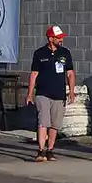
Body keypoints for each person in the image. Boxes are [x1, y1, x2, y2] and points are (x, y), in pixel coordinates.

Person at [27, 26, 76, 163]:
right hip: (43, 93)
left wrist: (71, 92)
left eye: (61, 38)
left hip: (59, 94)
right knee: (43, 121)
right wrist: (30, 93)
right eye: (58, 38)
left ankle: (50, 149)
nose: (61, 40)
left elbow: (70, 73)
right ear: (50, 39)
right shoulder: (39, 53)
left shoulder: (65, 53)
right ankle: (41, 150)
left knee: (55, 124)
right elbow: (34, 74)